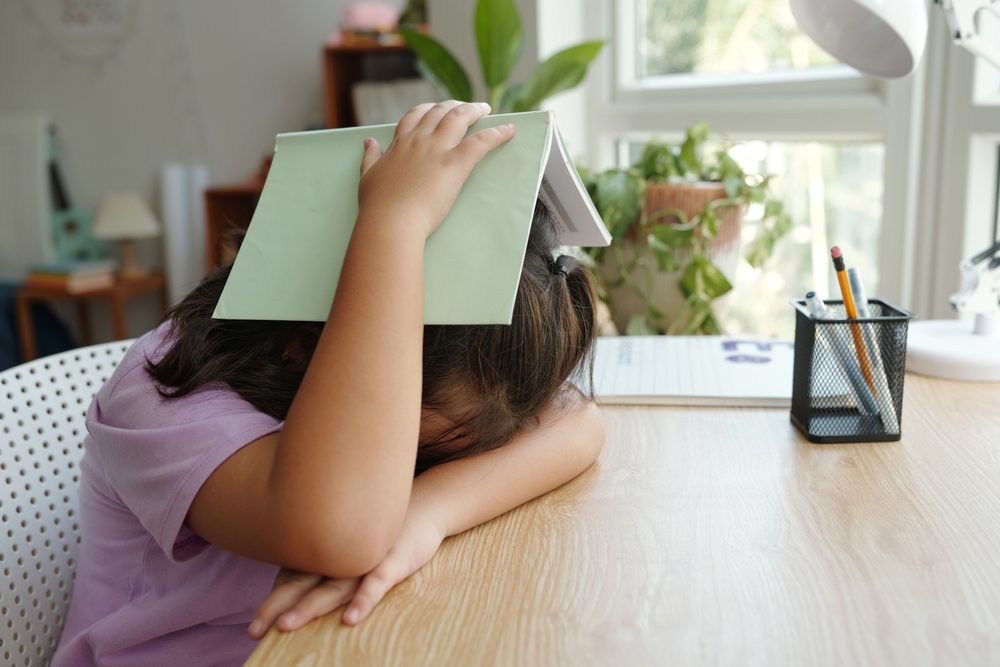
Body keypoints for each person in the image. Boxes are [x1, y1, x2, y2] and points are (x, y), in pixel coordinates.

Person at [52, 101, 605, 667]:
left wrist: (426, 512)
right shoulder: (166, 395)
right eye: (421, 453)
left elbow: (577, 421)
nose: (411, 467)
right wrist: (394, 224)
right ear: (306, 344)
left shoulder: (425, 383)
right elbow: (343, 529)